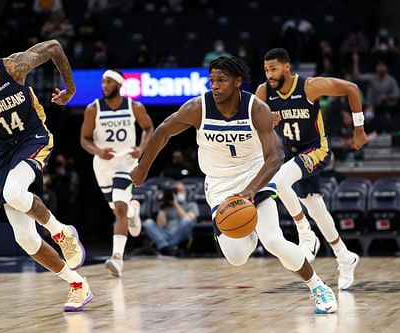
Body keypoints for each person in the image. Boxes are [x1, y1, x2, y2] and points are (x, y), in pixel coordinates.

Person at [131, 56, 337, 314]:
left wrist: (251, 191)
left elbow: (276, 157)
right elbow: (162, 131)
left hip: (255, 178)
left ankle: (318, 286)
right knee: (237, 257)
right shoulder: (198, 108)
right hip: (220, 187)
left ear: (238, 82)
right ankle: (247, 231)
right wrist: (142, 167)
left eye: (222, 81)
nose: (215, 86)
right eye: (212, 81)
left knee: (274, 241)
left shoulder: (256, 109)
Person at [0, 30, 92, 311]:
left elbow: (53, 46)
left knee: (14, 192)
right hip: (3, 151)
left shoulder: (13, 66)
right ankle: (77, 284)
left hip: (33, 138)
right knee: (25, 239)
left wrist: (71, 88)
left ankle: (61, 232)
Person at [255, 48, 368, 290]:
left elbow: (352, 88)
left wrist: (359, 129)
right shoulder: (264, 92)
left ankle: (305, 233)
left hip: (317, 149)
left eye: (273, 69)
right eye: (266, 70)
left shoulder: (309, 87)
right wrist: (266, 122)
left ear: (287, 67)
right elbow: (255, 124)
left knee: (279, 181)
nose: (269, 74)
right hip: (292, 153)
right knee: (316, 207)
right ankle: (345, 257)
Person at [80, 69, 154, 277]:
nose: (105, 86)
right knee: (119, 210)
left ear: (120, 85)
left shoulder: (134, 107)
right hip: (103, 165)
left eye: (109, 82)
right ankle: (134, 211)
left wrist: (141, 148)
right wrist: (98, 151)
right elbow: (84, 139)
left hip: (127, 163)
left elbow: (149, 128)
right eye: (103, 82)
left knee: (119, 209)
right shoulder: (92, 109)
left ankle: (117, 258)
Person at [143, 181, 199, 256]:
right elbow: (161, 225)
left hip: (181, 233)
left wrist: (176, 204)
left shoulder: (191, 204)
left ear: (185, 192)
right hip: (166, 233)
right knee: (148, 223)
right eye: (176, 191)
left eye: (180, 191)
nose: (177, 193)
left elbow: (190, 219)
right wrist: (162, 207)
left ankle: (165, 247)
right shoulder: (165, 206)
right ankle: (168, 247)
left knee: (187, 221)